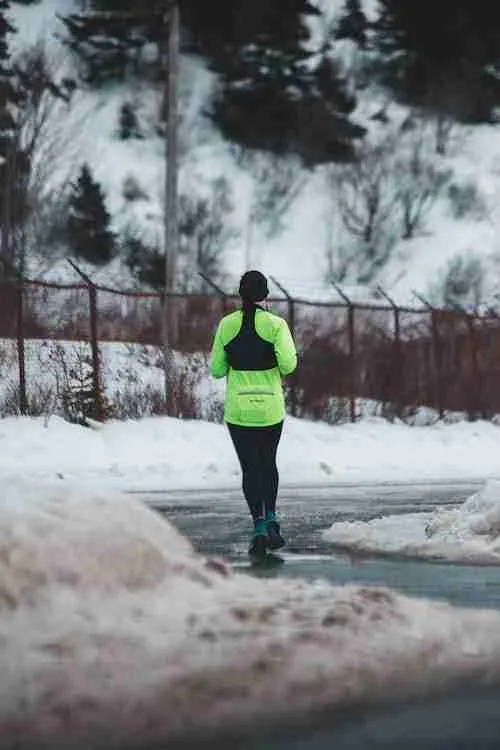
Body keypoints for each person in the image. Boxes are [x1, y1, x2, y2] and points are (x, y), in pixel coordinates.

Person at [210, 270, 298, 559]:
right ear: (265, 296)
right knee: (268, 463)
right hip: (270, 409)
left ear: (240, 293)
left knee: (249, 468)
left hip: (239, 411)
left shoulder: (226, 325)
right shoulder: (276, 325)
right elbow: (288, 366)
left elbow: (217, 369)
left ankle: (258, 526)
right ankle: (272, 517)